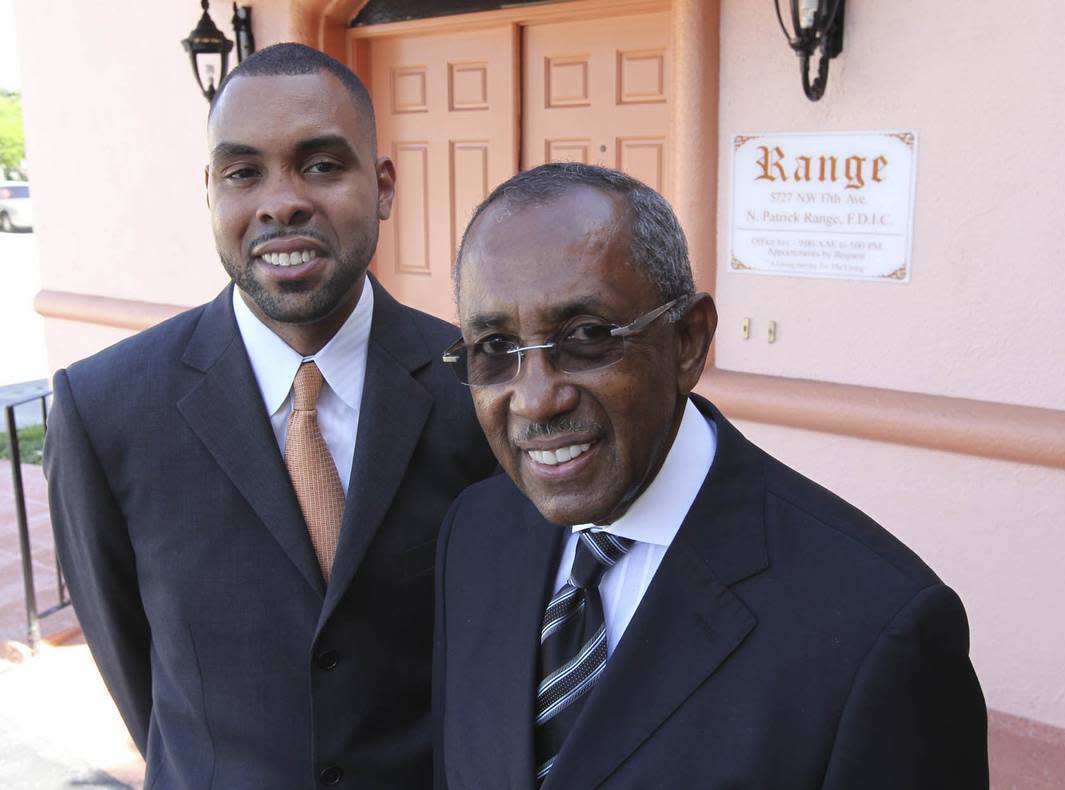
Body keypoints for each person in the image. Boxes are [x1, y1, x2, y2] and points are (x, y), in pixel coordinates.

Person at [433, 163, 988, 789]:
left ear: (689, 342)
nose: (535, 400)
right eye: (496, 348)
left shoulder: (878, 629)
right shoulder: (473, 532)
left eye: (587, 335)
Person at [44, 43, 495, 788]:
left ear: (382, 187)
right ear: (211, 193)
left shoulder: (478, 385)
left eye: (321, 164)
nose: (280, 200)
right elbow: (134, 668)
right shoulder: (104, 410)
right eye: (243, 171)